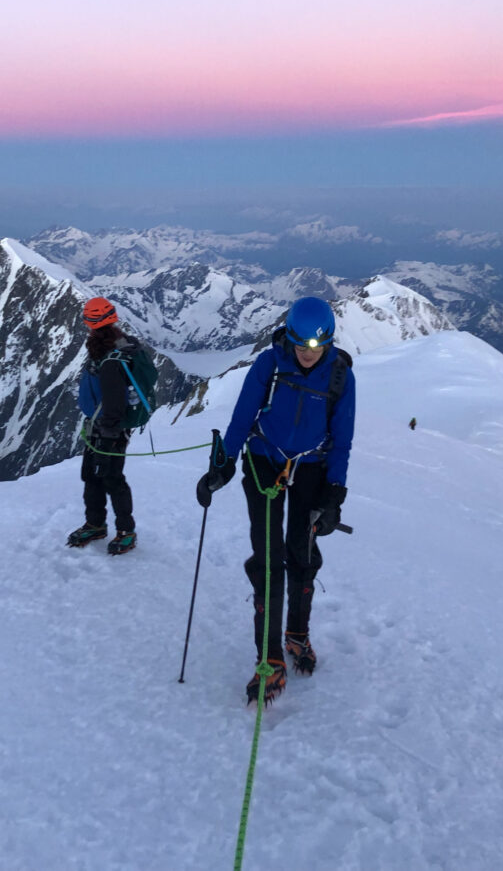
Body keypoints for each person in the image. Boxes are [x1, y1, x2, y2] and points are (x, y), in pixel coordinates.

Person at [196, 296, 355, 705]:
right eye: (301, 345)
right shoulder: (269, 364)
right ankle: (269, 659)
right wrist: (223, 465)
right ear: (288, 336)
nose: (306, 354)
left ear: (329, 344)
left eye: (315, 348)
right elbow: (242, 418)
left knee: (302, 554)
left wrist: (335, 492)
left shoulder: (340, 376)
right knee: (269, 560)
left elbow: (343, 440)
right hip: (265, 462)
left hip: (312, 469)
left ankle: (297, 633)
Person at [67, 297, 139, 556]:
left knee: (111, 477)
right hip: (101, 426)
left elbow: (114, 399)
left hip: (109, 429)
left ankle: (125, 530)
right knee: (92, 474)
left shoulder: (110, 357)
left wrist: (108, 433)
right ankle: (96, 524)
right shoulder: (109, 348)